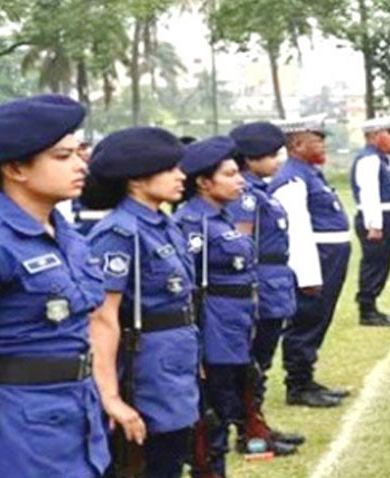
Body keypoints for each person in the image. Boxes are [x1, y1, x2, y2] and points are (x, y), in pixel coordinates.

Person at [0, 95, 113, 477]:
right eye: (62, 156)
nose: (81, 164)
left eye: (78, 153)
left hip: (75, 416)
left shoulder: (71, 240)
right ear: (16, 168)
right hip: (15, 431)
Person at [82, 127, 201, 477]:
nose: (182, 176)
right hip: (145, 370)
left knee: (172, 454)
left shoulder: (164, 224)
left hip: (175, 363)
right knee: (148, 461)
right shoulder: (119, 233)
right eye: (170, 168)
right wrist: (111, 396)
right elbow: (101, 318)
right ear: (135, 179)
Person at [173, 137, 257, 477]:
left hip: (233, 326)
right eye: (230, 174)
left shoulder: (220, 217)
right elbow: (187, 288)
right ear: (204, 182)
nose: (240, 181)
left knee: (227, 405)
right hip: (213, 331)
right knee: (212, 416)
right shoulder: (193, 223)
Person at [227, 122, 304, 453]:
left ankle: (259, 424)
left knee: (262, 363)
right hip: (262, 284)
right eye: (270, 155)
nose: (277, 161)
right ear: (250, 158)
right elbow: (240, 247)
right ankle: (251, 435)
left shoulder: (259, 191)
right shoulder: (244, 197)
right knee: (252, 364)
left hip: (276, 281)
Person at [269, 118, 351, 408]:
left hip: (328, 256)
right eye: (317, 140)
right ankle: (298, 385)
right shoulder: (292, 178)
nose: (323, 145)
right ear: (297, 144)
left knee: (319, 318)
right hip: (316, 257)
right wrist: (307, 275)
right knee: (307, 320)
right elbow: (297, 231)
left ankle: (307, 378)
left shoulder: (308, 173)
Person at [351, 117, 390, 326]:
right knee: (374, 264)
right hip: (378, 217)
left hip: (386, 215)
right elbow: (369, 193)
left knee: (381, 263)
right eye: (388, 133)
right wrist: (374, 224)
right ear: (375, 135)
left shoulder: (380, 158)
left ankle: (372, 306)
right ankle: (367, 309)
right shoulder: (369, 159)